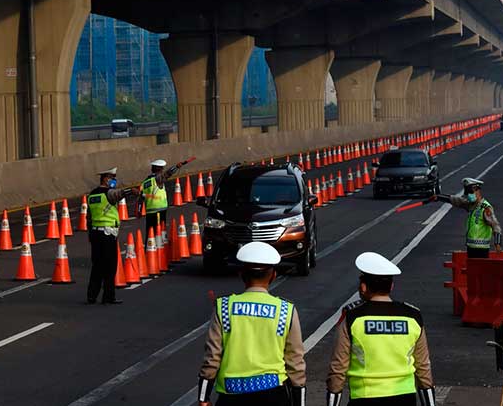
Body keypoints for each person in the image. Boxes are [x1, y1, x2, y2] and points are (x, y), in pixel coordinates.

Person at [198, 242, 306, 406]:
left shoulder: (224, 308)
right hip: (273, 394)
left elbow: (212, 358)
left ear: (242, 274)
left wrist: (203, 398)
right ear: (273, 275)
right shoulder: (285, 310)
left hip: (232, 395)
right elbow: (295, 363)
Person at [326, 252, 435, 406]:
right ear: (391, 286)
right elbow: (423, 368)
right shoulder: (413, 317)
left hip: (364, 398)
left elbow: (338, 369)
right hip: (405, 398)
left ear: (363, 287)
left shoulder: (352, 318)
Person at [87, 167, 139, 305]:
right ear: (105, 179)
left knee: (97, 266)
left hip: (95, 233)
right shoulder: (108, 193)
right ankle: (108, 297)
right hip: (107, 234)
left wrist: (90, 235)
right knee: (110, 266)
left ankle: (91, 296)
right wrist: (131, 191)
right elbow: (119, 194)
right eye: (112, 178)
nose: (114, 180)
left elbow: (89, 217)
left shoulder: (92, 195)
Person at [435, 177, 502, 258]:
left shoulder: (485, 208)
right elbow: (458, 201)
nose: (469, 195)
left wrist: (497, 243)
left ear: (477, 191)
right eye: (467, 193)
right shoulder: (472, 205)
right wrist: (439, 197)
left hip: (481, 250)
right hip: (470, 248)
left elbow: (495, 225)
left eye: (471, 192)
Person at [142, 159, 183, 240]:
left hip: (150, 210)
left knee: (150, 232)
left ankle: (149, 249)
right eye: (162, 169)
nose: (162, 170)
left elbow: (141, 195)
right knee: (160, 231)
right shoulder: (158, 179)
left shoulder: (146, 181)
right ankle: (160, 247)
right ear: (159, 169)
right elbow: (168, 174)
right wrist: (176, 167)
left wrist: (140, 210)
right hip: (159, 210)